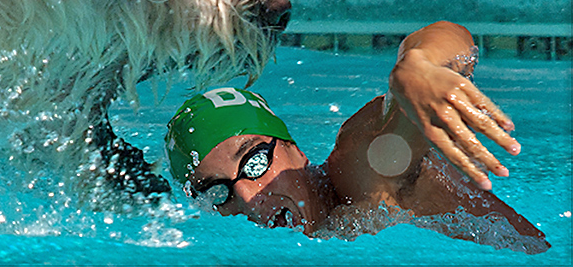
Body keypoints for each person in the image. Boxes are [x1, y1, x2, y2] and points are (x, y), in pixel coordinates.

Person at [165, 21, 550, 253]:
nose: (248, 197)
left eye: (255, 162)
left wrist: (417, 65)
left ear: (294, 150)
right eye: (217, 191)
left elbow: (452, 36)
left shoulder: (363, 169)